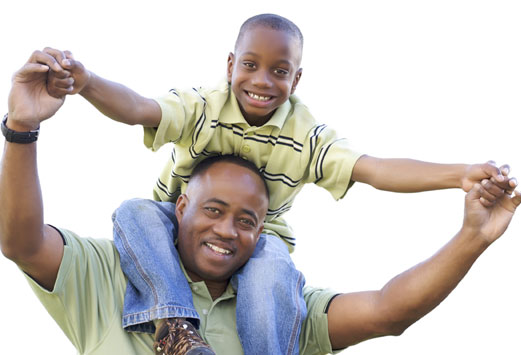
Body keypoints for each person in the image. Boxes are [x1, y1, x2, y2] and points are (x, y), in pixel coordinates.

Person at [42, 13, 516, 354]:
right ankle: (173, 325)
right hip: (172, 226)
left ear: (297, 77)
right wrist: (87, 83)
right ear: (230, 66)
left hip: (262, 238)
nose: (262, 80)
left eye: (280, 71)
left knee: (273, 270)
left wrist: (457, 175)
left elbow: (374, 169)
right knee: (134, 211)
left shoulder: (305, 135)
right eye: (250, 65)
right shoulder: (204, 105)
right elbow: (140, 109)